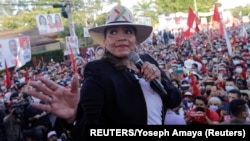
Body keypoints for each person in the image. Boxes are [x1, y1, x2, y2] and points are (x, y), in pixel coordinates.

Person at [25, 5, 182, 140]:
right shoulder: (98, 70)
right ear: (105, 42)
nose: (121, 37)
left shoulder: (148, 60)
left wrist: (160, 79)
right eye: (113, 32)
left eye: (128, 32)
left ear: (136, 40)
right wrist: (73, 117)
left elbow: (174, 101)